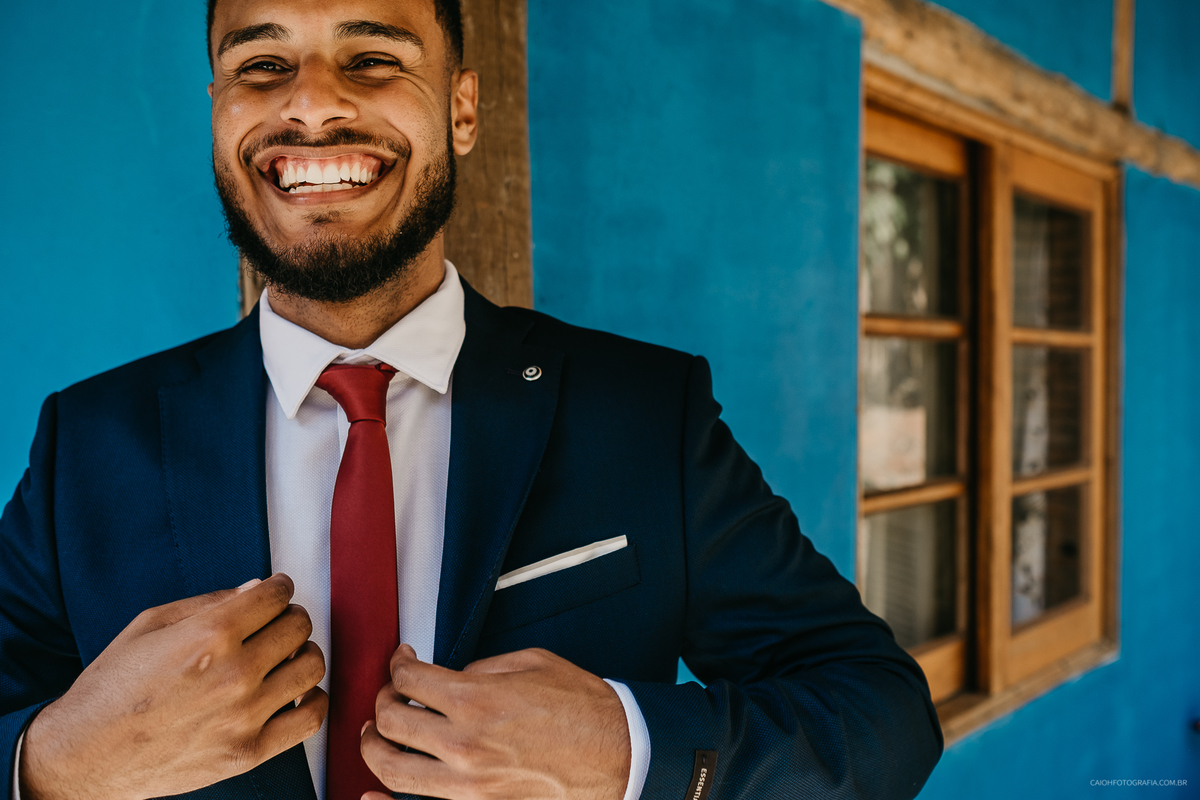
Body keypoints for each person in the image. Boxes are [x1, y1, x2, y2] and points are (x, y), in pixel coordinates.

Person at [0, 0, 943, 797]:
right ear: (217, 111)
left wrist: (625, 751)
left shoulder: (645, 413)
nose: (312, 104)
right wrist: (50, 763)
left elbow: (881, 714)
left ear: (459, 110)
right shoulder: (88, 440)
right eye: (262, 65)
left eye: (373, 59)